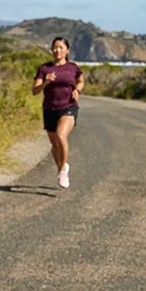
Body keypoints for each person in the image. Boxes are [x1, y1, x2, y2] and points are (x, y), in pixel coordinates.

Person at [32, 37, 83, 188]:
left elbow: (80, 80)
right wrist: (46, 82)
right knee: (55, 145)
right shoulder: (44, 68)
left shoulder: (72, 67)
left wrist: (77, 90)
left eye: (61, 47)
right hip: (49, 109)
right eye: (55, 47)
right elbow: (35, 90)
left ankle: (62, 171)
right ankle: (63, 166)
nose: (58, 50)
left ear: (67, 50)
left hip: (68, 107)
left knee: (61, 136)